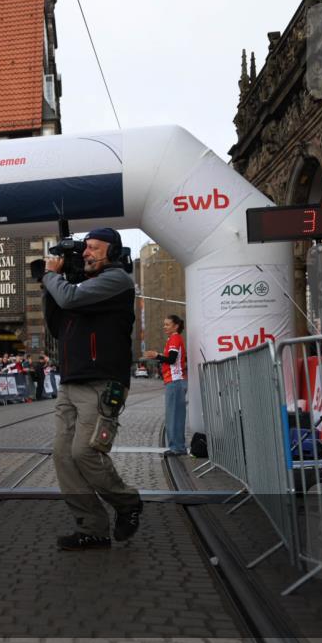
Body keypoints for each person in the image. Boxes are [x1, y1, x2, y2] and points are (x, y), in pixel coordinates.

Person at [43, 227, 142, 550]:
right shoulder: (80, 286)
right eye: (84, 249)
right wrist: (51, 288)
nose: (86, 253)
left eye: (94, 248)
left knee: (84, 452)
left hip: (102, 382)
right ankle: (93, 527)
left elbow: (69, 298)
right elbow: (57, 326)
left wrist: (51, 278)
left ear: (113, 252)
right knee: (63, 456)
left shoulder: (117, 281)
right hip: (71, 382)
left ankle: (126, 502)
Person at [144, 315, 188, 456]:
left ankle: (177, 448)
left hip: (175, 381)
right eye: (164, 324)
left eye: (167, 324)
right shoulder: (172, 339)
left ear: (175, 326)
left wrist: (157, 355)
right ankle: (177, 446)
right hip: (174, 381)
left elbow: (171, 359)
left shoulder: (175, 338)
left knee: (174, 416)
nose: (164, 327)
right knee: (174, 415)